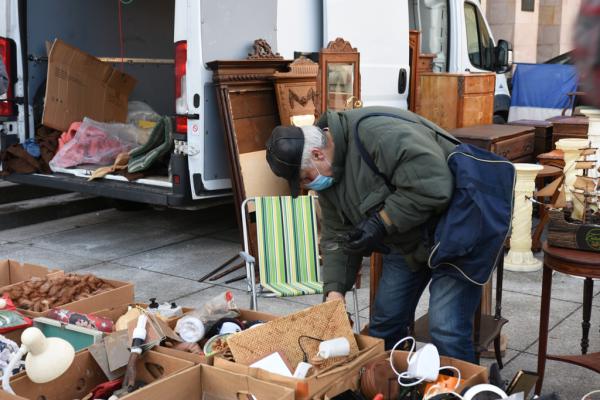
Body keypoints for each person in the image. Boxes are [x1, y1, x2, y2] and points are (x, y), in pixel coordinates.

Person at [265, 106, 482, 363]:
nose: (306, 186)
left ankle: (469, 389)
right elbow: (336, 237)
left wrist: (381, 222)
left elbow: (434, 187)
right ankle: (392, 384)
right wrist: (335, 295)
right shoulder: (329, 177)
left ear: (317, 154)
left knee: (446, 328)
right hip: (409, 241)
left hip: (457, 231)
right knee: (384, 326)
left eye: (304, 178)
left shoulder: (378, 136)